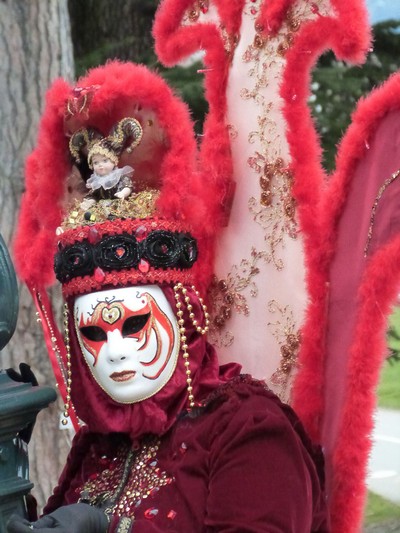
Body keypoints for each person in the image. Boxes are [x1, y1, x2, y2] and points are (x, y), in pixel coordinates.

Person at [8, 61, 329, 532]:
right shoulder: (99, 444)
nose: (116, 350)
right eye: (93, 333)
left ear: (183, 314)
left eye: (135, 323)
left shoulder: (248, 432)